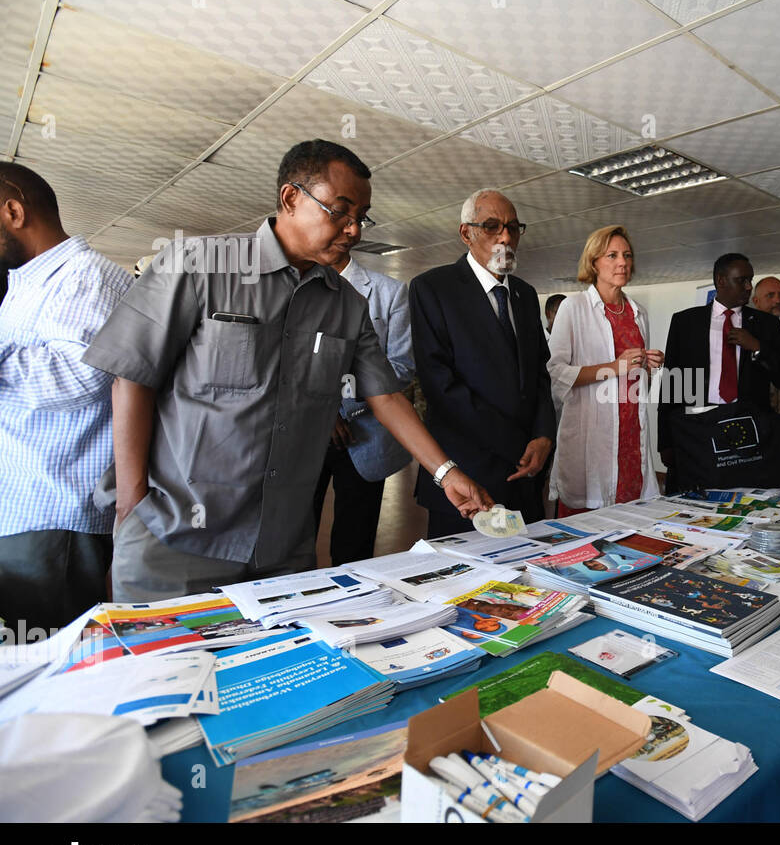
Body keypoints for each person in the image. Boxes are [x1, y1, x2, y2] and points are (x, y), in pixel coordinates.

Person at [83, 140, 490, 598]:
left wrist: (446, 472)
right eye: (340, 210)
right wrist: (131, 504)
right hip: (176, 539)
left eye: (362, 215)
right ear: (291, 198)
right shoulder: (199, 266)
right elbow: (132, 377)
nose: (354, 229)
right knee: (166, 669)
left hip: (281, 551)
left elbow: (387, 396)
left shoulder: (347, 306)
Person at [0, 164, 132, 628]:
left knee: (46, 653)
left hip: (55, 510)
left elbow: (78, 377)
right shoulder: (28, 284)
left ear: (13, 211)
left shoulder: (87, 277)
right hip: (23, 506)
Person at [408, 189, 555, 538]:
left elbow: (539, 375)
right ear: (466, 233)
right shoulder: (432, 289)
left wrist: (544, 435)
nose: (505, 236)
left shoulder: (524, 294)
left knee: (527, 578)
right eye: (491, 226)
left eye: (513, 227)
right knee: (464, 586)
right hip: (466, 478)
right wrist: (518, 443)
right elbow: (440, 385)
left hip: (526, 474)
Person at [659, 253, 780, 491]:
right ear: (721, 281)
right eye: (741, 280)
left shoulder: (765, 324)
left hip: (748, 434)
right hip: (698, 430)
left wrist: (758, 347)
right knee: (694, 504)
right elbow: (672, 385)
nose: (748, 287)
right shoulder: (686, 322)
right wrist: (666, 442)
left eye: (750, 280)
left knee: (745, 500)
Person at [311, 250, 416, 565]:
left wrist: (342, 400)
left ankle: (353, 605)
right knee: (295, 538)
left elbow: (401, 366)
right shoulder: (292, 286)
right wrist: (325, 412)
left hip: (365, 435)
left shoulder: (389, 292)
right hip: (305, 434)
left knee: (354, 545)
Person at [546, 226, 661, 514]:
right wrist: (614, 367)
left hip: (631, 433)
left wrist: (649, 365)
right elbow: (556, 372)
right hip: (592, 434)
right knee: (585, 526)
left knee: (630, 524)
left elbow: (636, 379)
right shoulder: (574, 308)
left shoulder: (639, 313)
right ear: (594, 262)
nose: (622, 262)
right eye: (612, 255)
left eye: (627, 255)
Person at [751, 276, 780, 425]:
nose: (778, 300)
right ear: (756, 301)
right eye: (770, 295)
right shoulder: (747, 335)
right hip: (755, 420)